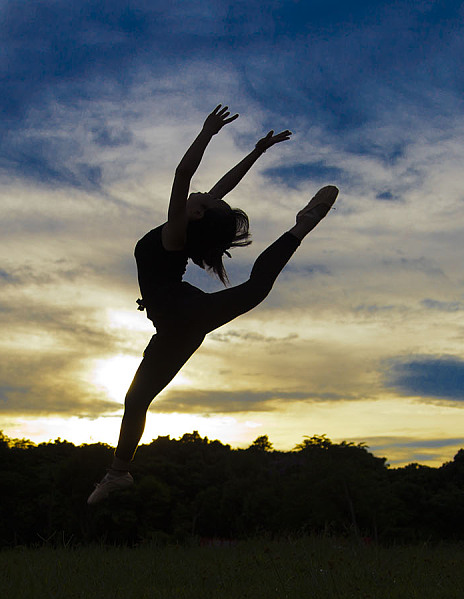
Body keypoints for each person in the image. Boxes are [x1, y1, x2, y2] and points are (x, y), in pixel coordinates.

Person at [89, 104, 338, 504]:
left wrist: (207, 132)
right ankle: (117, 474)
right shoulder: (189, 222)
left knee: (137, 400)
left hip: (183, 316)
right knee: (136, 399)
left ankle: (301, 227)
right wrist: (257, 152)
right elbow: (224, 186)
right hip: (176, 326)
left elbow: (182, 174)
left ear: (197, 215)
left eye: (205, 202)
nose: (204, 194)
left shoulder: (176, 232)